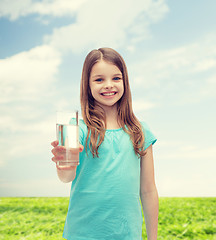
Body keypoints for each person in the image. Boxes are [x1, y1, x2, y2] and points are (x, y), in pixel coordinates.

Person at [51, 47, 158, 240]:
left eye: (116, 78)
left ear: (125, 81)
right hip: (82, 234)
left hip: (127, 234)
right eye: (99, 79)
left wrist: (152, 238)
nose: (108, 85)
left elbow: (148, 189)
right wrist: (63, 162)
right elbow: (66, 177)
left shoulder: (140, 132)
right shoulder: (78, 130)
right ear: (88, 85)